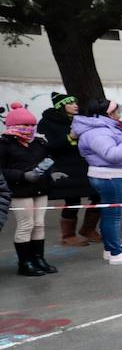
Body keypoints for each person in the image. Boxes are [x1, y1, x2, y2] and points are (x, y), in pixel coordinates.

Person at [73, 99, 122, 265]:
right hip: (110, 176)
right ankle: (116, 253)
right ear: (108, 113)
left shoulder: (104, 128)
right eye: (117, 112)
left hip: (114, 175)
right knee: (113, 217)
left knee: (112, 215)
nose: (120, 116)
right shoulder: (98, 132)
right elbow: (112, 154)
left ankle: (111, 249)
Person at [1, 102, 59, 276]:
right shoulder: (4, 144)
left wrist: (53, 173)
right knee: (26, 225)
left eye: (32, 125)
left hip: (41, 189)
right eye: (25, 125)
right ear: (13, 126)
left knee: (39, 224)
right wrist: (22, 176)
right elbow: (2, 171)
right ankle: (25, 263)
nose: (30, 128)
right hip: (20, 191)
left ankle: (39, 259)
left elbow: (48, 160)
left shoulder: (39, 142)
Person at [38, 92, 98, 247]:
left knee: (98, 195)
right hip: (64, 166)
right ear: (61, 106)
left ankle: (88, 230)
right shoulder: (47, 122)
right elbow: (46, 146)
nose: (76, 105)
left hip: (84, 165)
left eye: (76, 102)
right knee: (72, 200)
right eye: (70, 103)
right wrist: (69, 138)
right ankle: (68, 235)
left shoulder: (80, 120)